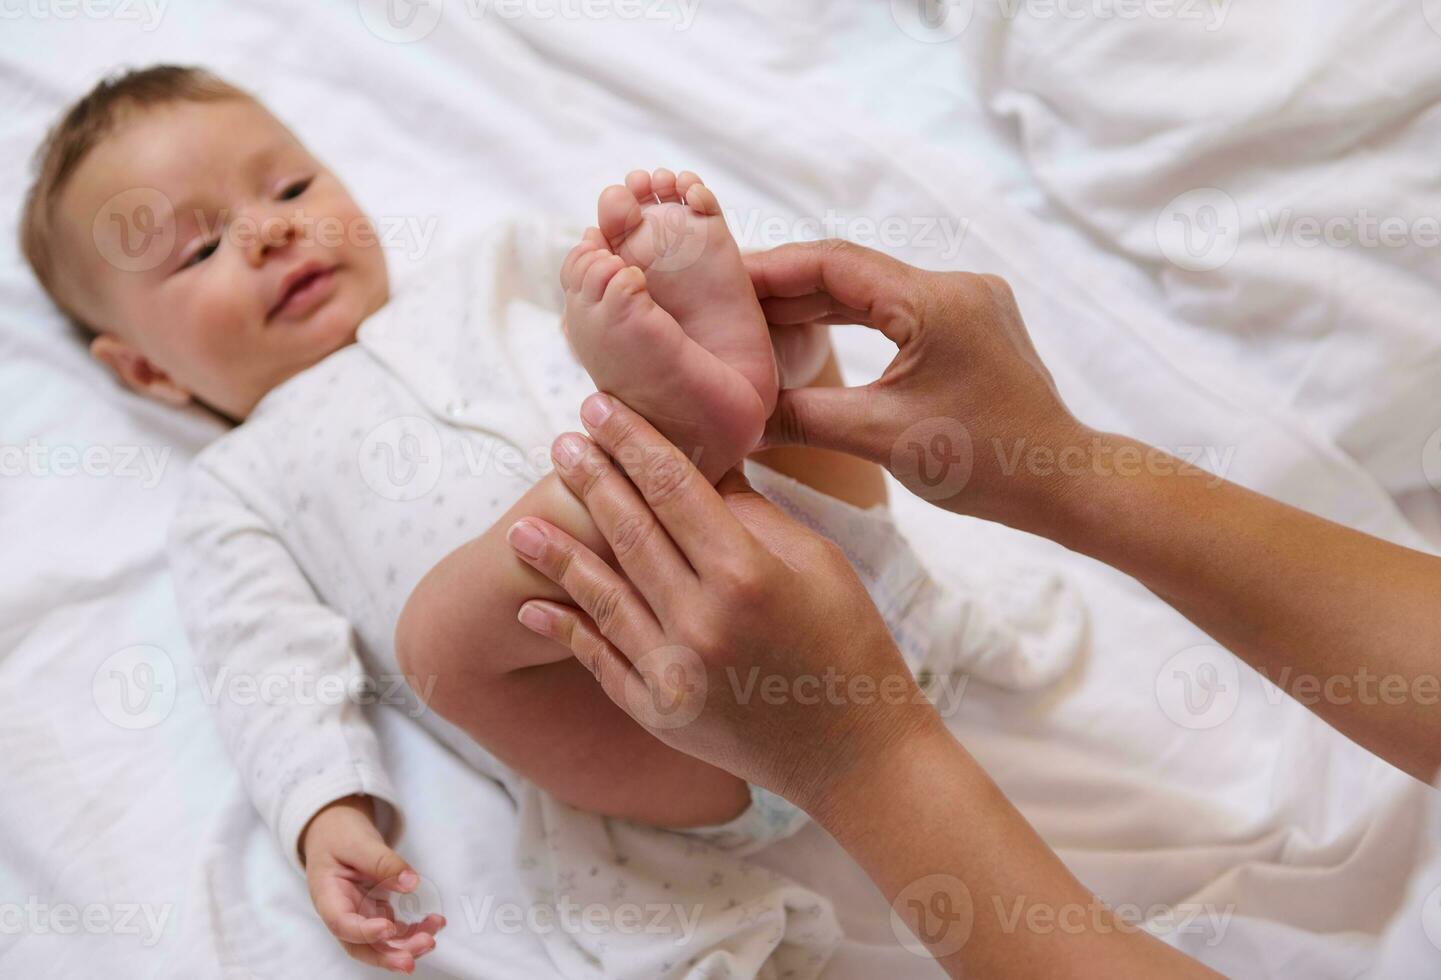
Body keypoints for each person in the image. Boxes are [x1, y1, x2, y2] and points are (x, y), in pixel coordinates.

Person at [23, 67, 1060, 975]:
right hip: (652, 731)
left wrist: (637, 277)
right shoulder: (235, 483)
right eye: (199, 249)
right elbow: (264, 663)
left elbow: (593, 270)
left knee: (771, 432)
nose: (271, 228)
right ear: (147, 370)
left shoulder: (487, 267)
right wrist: (322, 811)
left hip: (837, 608)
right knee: (443, 636)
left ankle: (754, 373)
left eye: (291, 186)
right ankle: (665, 429)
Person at [508, 239, 1441, 978]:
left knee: (454, 639)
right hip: (797, 650)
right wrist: (1064, 463)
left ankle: (682, 429)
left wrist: (861, 758)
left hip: (693, 733)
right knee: (815, 517)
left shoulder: (482, 266)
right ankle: (757, 391)